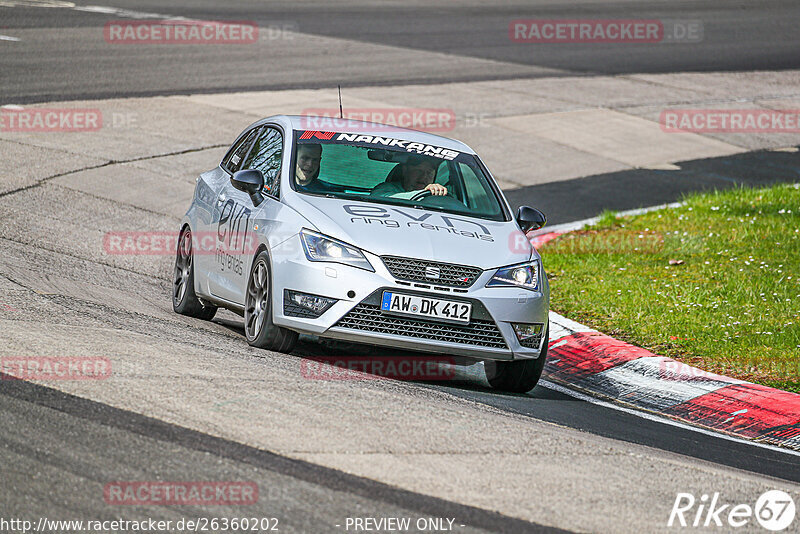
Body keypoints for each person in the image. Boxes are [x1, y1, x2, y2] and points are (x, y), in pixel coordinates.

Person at [370, 155, 447, 198]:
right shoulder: (386, 188)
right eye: (418, 171)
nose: (423, 177)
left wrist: (437, 192)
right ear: (405, 171)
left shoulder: (438, 195)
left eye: (429, 173)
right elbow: (378, 198)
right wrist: (424, 192)